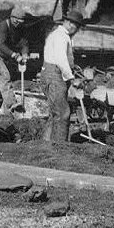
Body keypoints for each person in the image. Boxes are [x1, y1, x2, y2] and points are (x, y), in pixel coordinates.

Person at [41, 9, 84, 142]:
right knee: (63, 114)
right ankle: (60, 148)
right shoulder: (60, 36)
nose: (76, 30)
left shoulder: (59, 35)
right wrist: (71, 78)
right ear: (71, 24)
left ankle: (46, 143)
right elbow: (61, 60)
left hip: (53, 73)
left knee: (55, 113)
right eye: (77, 27)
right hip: (55, 75)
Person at [0, 6, 29, 115]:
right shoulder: (3, 26)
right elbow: (1, 45)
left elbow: (24, 42)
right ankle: (12, 105)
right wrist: (15, 55)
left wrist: (24, 54)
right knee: (5, 75)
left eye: (20, 22)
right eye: (16, 21)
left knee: (1, 86)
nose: (17, 24)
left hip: (6, 57)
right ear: (12, 18)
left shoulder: (21, 27)